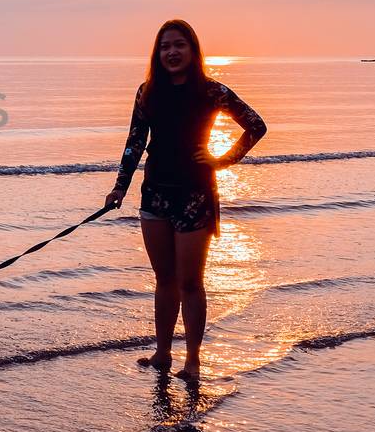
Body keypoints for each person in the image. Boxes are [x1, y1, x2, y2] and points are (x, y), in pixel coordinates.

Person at [104, 19, 267, 381]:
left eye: (179, 45)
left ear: (193, 51)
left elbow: (256, 125)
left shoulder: (211, 92)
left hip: (195, 196)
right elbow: (134, 142)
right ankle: (162, 353)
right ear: (157, 53)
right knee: (164, 279)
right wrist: (120, 187)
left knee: (191, 282)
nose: (172, 52)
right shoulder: (147, 92)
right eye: (165, 46)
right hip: (156, 195)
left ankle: (192, 360)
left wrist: (223, 159)